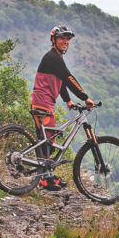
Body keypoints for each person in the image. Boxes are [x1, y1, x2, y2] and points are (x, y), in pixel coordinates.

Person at [31, 25, 94, 191]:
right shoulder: (53, 58)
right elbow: (68, 78)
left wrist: (67, 101)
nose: (65, 41)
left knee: (49, 141)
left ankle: (47, 177)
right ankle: (45, 179)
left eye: (67, 39)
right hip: (42, 103)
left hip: (45, 102)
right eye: (62, 38)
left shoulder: (56, 58)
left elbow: (59, 82)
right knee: (47, 143)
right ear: (54, 40)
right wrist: (84, 97)